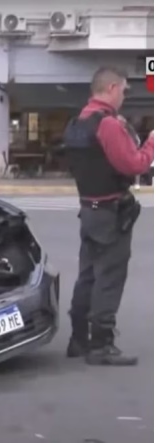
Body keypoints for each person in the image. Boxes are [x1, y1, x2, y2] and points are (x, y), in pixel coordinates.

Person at [62, 66, 154, 366]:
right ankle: (101, 344)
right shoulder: (108, 125)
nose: (125, 97)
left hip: (88, 208)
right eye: (125, 90)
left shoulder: (79, 121)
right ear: (112, 88)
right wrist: (152, 142)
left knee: (88, 275)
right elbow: (133, 165)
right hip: (110, 212)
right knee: (110, 277)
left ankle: (78, 338)